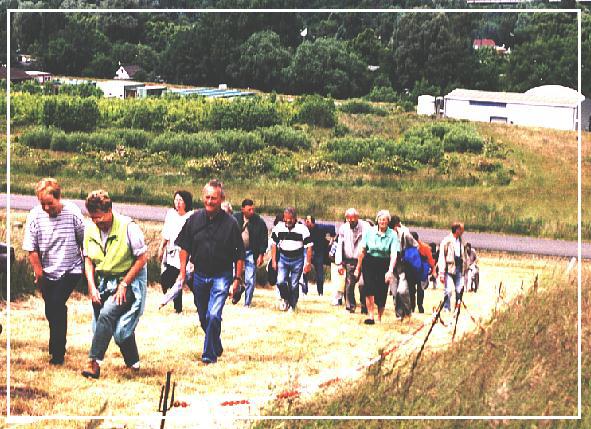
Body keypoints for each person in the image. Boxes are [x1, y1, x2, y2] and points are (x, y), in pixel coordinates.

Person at [176, 179, 245, 364]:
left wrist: (237, 279)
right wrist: (183, 272)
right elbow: (184, 247)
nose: (210, 201)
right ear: (202, 197)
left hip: (221, 276)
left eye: (214, 198)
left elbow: (239, 254)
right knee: (203, 317)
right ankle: (215, 341)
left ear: (221, 198)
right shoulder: (194, 219)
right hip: (199, 275)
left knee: (214, 315)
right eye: (207, 197)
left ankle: (209, 355)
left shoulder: (231, 224)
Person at [81, 190, 148, 379]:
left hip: (130, 281)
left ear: (110, 210)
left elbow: (142, 258)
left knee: (108, 312)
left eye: (100, 217)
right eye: (93, 218)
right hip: (104, 282)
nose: (97, 222)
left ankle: (93, 362)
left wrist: (124, 284)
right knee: (120, 332)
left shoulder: (128, 227)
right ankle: (133, 362)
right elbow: (88, 260)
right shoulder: (90, 229)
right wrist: (92, 286)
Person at [22, 178, 85, 365]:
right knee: (50, 309)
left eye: (50, 204)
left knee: (57, 304)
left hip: (71, 268)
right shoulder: (34, 216)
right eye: (43, 204)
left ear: (59, 198)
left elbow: (85, 241)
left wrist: (89, 269)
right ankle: (55, 347)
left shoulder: (73, 213)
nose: (47, 208)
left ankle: (58, 353)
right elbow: (31, 247)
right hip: (47, 270)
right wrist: (38, 272)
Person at [354, 210, 399, 325]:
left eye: (384, 220)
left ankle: (379, 316)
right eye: (380, 219)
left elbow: (394, 254)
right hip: (370, 261)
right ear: (377, 220)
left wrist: (390, 270)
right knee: (368, 288)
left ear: (388, 221)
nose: (382, 222)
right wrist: (358, 268)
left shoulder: (393, 234)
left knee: (382, 291)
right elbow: (362, 250)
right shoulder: (370, 232)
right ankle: (371, 316)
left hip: (384, 262)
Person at [158, 190, 193, 313]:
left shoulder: (190, 216)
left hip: (184, 252)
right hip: (171, 252)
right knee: (166, 278)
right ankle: (177, 305)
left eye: (181, 200)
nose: (178, 203)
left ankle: (178, 308)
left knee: (180, 280)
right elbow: (166, 232)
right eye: (176, 200)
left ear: (186, 202)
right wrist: (161, 247)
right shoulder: (171, 214)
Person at [271, 207, 313, 312]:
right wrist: (273, 261)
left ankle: (293, 306)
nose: (287, 221)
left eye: (290, 219)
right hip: (283, 258)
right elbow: (273, 244)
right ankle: (286, 298)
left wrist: (307, 263)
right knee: (280, 282)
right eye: (286, 219)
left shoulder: (302, 229)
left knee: (294, 284)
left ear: (295, 218)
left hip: (297, 259)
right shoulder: (278, 228)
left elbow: (309, 247)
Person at [234, 199, 268, 307]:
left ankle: (247, 303)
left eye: (253, 209)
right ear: (242, 209)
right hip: (235, 252)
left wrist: (261, 255)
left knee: (250, 279)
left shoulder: (259, 222)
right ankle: (238, 289)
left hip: (251, 252)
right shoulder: (235, 219)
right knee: (231, 276)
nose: (252, 211)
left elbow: (264, 239)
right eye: (249, 209)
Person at [334, 208, 370, 313]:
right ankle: (350, 306)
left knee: (363, 284)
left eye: (353, 220)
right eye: (349, 220)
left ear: (357, 218)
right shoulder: (343, 228)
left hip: (365, 260)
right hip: (349, 259)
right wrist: (339, 263)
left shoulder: (366, 227)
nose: (351, 222)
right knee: (349, 284)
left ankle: (364, 306)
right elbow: (340, 245)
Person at [389, 215, 419, 320]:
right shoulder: (387, 234)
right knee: (394, 292)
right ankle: (399, 315)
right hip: (392, 267)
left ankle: (408, 312)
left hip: (404, 267)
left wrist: (409, 256)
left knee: (402, 291)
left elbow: (416, 245)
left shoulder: (405, 234)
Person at [438, 222, 468, 312]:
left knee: (459, 289)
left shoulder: (462, 241)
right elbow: (442, 257)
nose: (462, 231)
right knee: (449, 289)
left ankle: (457, 307)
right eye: (461, 229)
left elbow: (465, 255)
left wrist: (465, 267)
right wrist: (442, 273)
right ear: (456, 230)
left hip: (459, 267)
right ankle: (446, 307)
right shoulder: (446, 241)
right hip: (449, 267)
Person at [303, 215, 336, 296]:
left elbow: (332, 228)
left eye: (308, 221)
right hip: (308, 253)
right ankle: (304, 291)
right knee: (304, 272)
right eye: (305, 221)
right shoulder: (304, 229)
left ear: (313, 222)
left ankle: (320, 293)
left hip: (319, 253)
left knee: (319, 274)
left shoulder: (320, 228)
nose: (306, 223)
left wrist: (331, 241)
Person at [411, 231, 436, 313]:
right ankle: (412, 306)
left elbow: (431, 260)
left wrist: (433, 271)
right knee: (411, 289)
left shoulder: (425, 247)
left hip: (422, 271)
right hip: (411, 270)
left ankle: (420, 305)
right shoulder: (407, 247)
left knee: (420, 289)